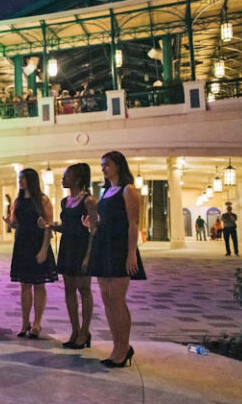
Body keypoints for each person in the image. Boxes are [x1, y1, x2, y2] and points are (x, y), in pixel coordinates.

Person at [86, 150, 146, 368]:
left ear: (119, 166)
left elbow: (133, 224)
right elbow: (105, 221)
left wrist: (131, 254)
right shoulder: (107, 191)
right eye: (102, 165)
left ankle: (123, 347)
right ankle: (117, 346)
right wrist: (92, 225)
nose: (103, 168)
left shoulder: (127, 190)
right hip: (104, 246)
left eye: (107, 164)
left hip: (120, 248)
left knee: (117, 299)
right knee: (107, 300)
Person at [49, 163, 97, 349]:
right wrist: (52, 226)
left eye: (67, 175)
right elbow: (68, 227)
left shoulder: (88, 201)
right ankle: (75, 330)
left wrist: (88, 256)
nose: (63, 178)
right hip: (67, 247)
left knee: (84, 289)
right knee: (69, 289)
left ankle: (85, 331)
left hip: (83, 248)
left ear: (77, 179)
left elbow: (93, 230)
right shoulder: (64, 201)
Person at [8, 168, 58, 340]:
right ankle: (24, 322)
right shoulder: (18, 200)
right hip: (22, 244)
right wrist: (11, 222)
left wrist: (44, 249)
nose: (20, 181)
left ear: (31, 180)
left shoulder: (42, 200)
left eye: (23, 178)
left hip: (37, 243)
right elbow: (16, 223)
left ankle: (37, 323)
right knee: (24, 285)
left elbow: (48, 225)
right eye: (19, 178)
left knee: (38, 284)